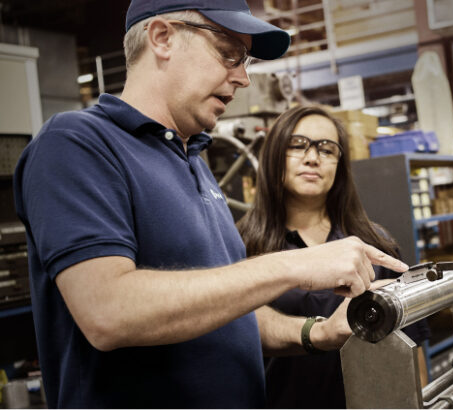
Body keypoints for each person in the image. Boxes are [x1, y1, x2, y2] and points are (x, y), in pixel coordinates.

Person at [13, 1, 409, 408]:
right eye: (229, 54)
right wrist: (294, 266)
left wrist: (316, 332)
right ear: (163, 38)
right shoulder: (77, 144)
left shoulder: (193, 162)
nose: (243, 78)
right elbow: (107, 311)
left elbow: (225, 313)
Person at [237, 105, 431, 409]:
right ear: (274, 155)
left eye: (327, 149)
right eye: (297, 145)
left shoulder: (374, 246)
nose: (312, 157)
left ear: (340, 165)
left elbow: (409, 345)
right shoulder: (242, 245)